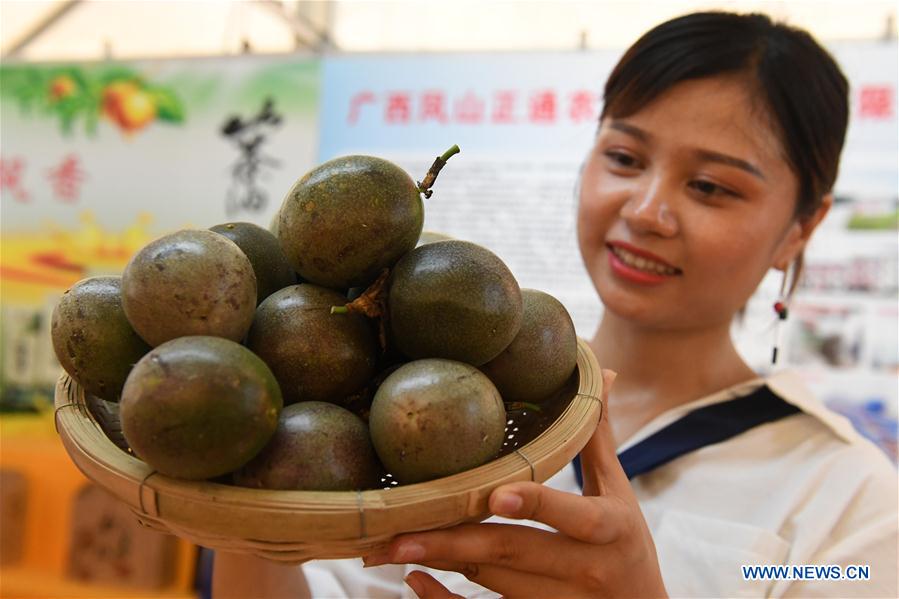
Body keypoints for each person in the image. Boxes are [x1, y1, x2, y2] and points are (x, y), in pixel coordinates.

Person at [213, 11, 898, 598]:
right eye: (625, 158)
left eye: (712, 186)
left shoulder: (848, 501)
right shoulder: (412, 398)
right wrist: (248, 504)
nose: (646, 210)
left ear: (801, 227)